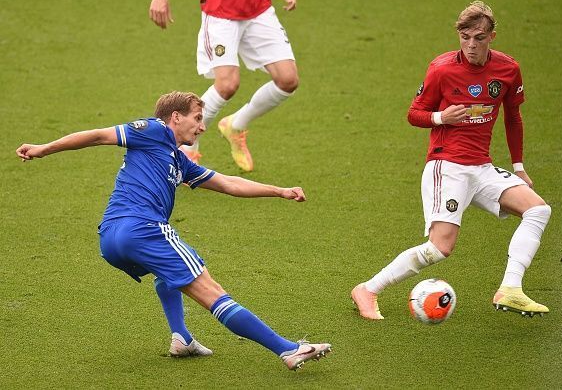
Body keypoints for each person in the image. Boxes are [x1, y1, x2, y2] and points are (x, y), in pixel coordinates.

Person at [16, 91, 331, 370]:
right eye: (197, 118)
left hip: (111, 238)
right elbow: (99, 135)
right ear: (175, 117)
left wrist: (279, 190)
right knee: (211, 291)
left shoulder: (180, 162)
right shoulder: (153, 131)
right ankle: (288, 350)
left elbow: (229, 183)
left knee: (168, 273)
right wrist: (43, 149)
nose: (202, 126)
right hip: (143, 228)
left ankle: (181, 337)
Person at [351, 1, 552, 320]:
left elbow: (513, 117)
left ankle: (510, 288)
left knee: (538, 209)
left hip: (482, 168)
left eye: (479, 38)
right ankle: (368, 289)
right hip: (448, 167)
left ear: (492, 36)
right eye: (466, 37)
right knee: (439, 248)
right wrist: (441, 116)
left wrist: (519, 167)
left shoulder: (508, 69)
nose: (472, 45)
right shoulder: (441, 69)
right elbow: (414, 114)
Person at [149, 0, 299, 171]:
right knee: (227, 84)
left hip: (258, 7)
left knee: (288, 79)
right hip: (220, 11)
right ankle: (186, 150)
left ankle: (235, 125)